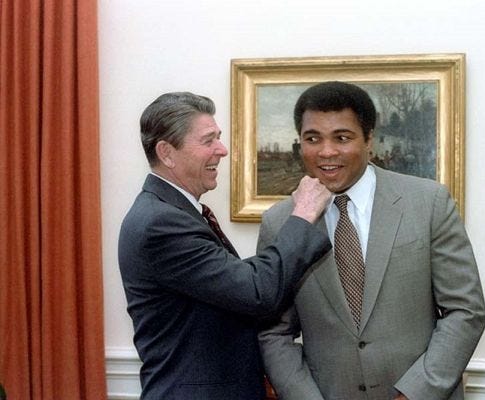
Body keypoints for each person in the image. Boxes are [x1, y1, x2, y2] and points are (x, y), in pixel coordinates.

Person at [258, 81, 485, 400]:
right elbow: (274, 332)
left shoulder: (428, 203)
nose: (326, 152)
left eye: (342, 137)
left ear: (369, 139)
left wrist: (415, 394)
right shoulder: (281, 222)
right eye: (313, 138)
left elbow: (465, 311)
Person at [118, 92, 333, 400]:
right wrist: (304, 215)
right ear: (166, 152)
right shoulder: (161, 223)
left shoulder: (175, 212)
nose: (222, 149)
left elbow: (233, 295)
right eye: (209, 140)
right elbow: (257, 291)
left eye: (218, 138)